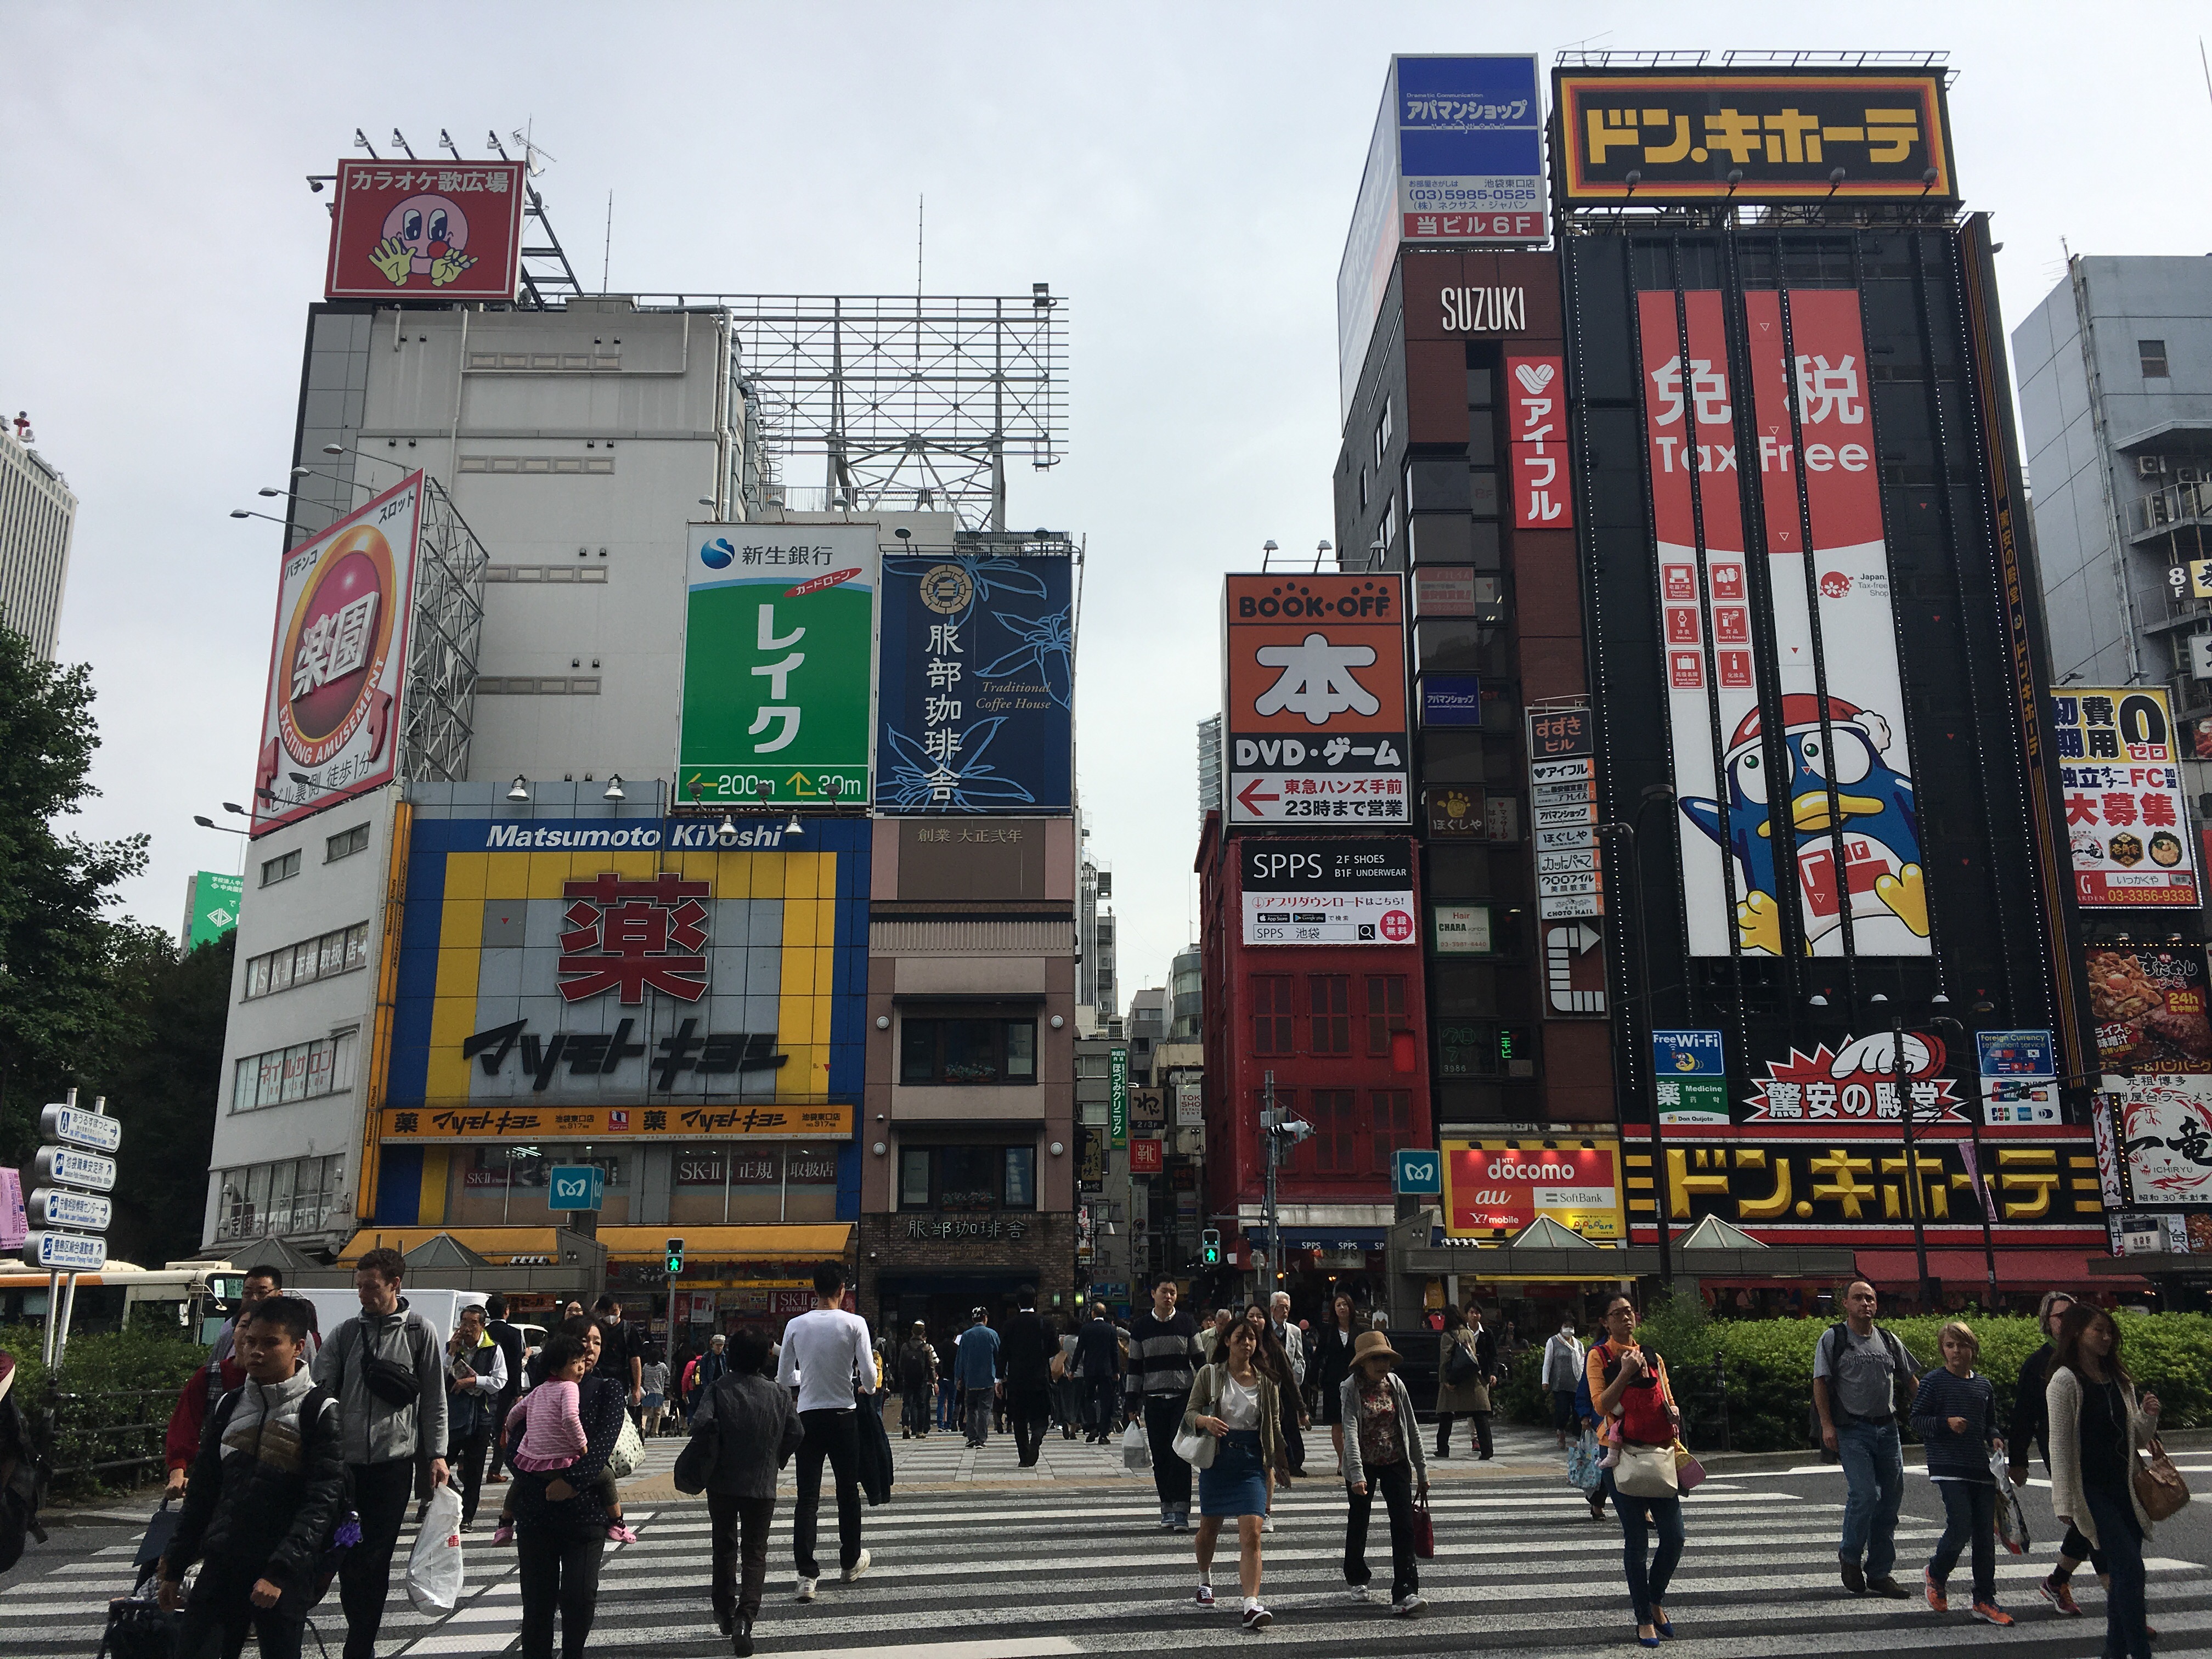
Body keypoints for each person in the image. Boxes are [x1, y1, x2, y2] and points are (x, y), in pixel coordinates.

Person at [157, 1296, 345, 1659]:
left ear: (298, 1347)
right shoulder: (229, 1405)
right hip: (222, 1563)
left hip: (282, 1570)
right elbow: (204, 1492)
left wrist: (280, 1572)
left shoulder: (319, 1410)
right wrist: (175, 1565)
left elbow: (322, 1501)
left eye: (271, 1343)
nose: (256, 1352)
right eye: (250, 1342)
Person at [311, 1245, 449, 1659]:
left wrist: (437, 1454)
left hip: (393, 1466)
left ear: (395, 1285)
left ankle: (360, 1646)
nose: (363, 1294)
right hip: (346, 1467)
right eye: (360, 1286)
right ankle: (358, 1634)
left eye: (371, 1287)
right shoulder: (346, 1334)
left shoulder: (419, 1331)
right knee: (348, 1554)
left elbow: (435, 1399)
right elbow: (319, 1391)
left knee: (375, 1558)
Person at [2047, 1302, 2162, 1659]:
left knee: (2124, 1575)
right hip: (2091, 1490)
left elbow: (2134, 1437)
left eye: (2110, 1332)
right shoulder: (2064, 1381)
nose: (2107, 1337)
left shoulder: (2119, 1379)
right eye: (2099, 1330)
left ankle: (2114, 1652)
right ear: (2078, 1333)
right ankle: (2140, 1653)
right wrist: (2064, 1500)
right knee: (2130, 1568)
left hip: (2126, 1486)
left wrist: (2148, 1416)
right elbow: (2059, 1444)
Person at [506, 1328, 627, 1659]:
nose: (589, 1349)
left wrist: (570, 1482)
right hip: (536, 1511)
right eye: (583, 1341)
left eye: (597, 1342)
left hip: (585, 1513)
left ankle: (573, 1652)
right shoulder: (541, 1391)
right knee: (537, 1602)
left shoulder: (607, 1389)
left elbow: (600, 1448)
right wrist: (539, 1482)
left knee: (580, 1595)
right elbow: (515, 1445)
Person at [690, 1328, 802, 1657]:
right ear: (763, 1359)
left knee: (724, 1546)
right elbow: (796, 1432)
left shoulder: (718, 1388)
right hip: (762, 1484)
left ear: (732, 1355)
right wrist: (776, 1458)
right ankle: (745, 1618)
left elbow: (700, 1424)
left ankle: (724, 1611)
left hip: (723, 1483)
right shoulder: (779, 1394)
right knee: (755, 1552)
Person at [775, 1261, 876, 1600]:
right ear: (842, 1290)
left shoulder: (795, 1325)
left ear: (814, 1289)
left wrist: (807, 1378)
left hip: (808, 1416)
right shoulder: (854, 1323)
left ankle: (806, 1575)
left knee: (808, 1497)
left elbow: (784, 1378)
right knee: (848, 1491)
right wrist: (863, 1387)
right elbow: (870, 1377)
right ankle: (849, 1563)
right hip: (844, 1415)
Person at [1812, 1278, 1919, 1598]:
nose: (1865, 1304)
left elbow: (1910, 1379)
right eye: (1858, 1298)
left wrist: (1933, 1412)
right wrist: (1827, 1426)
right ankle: (1850, 1557)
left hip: (1887, 1428)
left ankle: (1880, 1573)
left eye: (1870, 1299)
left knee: (1890, 1501)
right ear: (1845, 1303)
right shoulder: (1834, 1338)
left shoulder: (1888, 1339)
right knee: (1865, 1495)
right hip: (1852, 1429)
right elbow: (1820, 1382)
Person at [1589, 1294, 1684, 1648]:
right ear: (1606, 1322)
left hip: (1658, 1450)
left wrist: (1674, 1413)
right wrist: (1626, 1372)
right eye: (1617, 1314)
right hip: (1620, 1452)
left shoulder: (1653, 1355)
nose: (1626, 1318)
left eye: (1629, 1311)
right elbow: (1601, 1405)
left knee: (1674, 1536)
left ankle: (1655, 1599)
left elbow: (1667, 1397)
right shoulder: (1599, 1356)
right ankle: (1644, 1618)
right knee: (1637, 1538)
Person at [1911, 1319, 2011, 1625]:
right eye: (1950, 1345)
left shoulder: (1983, 1386)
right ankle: (1937, 1572)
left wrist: (1995, 1437)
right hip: (1948, 1465)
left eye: (1962, 1345)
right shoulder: (1933, 1382)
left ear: (1973, 1349)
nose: (1956, 1351)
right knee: (1961, 1525)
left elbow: (1989, 1422)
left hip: (1980, 1467)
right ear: (1942, 1350)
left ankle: (1984, 1598)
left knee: (1985, 1535)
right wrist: (1946, 1423)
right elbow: (1917, 1420)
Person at [1184, 1314, 1280, 1630]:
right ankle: (1204, 1579)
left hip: (1251, 1462)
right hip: (1218, 1459)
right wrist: (1206, 1421)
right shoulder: (1210, 1375)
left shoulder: (1266, 1381)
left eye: (1252, 1338)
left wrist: (1276, 1463)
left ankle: (1251, 1604)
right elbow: (1190, 1414)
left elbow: (1273, 1425)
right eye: (1240, 1338)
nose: (1247, 1343)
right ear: (1227, 1341)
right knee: (1208, 1529)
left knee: (1252, 1534)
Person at [2007, 1290, 2096, 1613]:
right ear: (2048, 1322)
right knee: (2090, 1515)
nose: (2068, 1322)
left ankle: (2058, 1581)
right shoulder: (2038, 1364)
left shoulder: (2090, 1355)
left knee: (2093, 1517)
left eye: (2074, 1315)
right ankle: (2123, 1604)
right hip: (2061, 1450)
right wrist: (2018, 1461)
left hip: (2097, 1447)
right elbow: (2023, 1415)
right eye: (2061, 1316)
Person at [163, 1266, 285, 1498]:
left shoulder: (286, 1382)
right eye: (244, 1327)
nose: (250, 1337)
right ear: (233, 1331)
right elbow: (185, 1425)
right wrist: (178, 1471)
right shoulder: (209, 1376)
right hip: (212, 1478)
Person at [1338, 1328, 1429, 1617]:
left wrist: (1422, 1470)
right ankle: (1357, 1576)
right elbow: (1350, 1431)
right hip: (1363, 1463)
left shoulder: (1395, 1384)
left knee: (1403, 1525)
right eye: (1375, 1359)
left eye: (1385, 1358)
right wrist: (1356, 1474)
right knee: (1359, 1520)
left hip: (1395, 1460)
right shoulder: (1350, 1388)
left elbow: (1411, 1426)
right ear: (1362, 1362)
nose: (1382, 1364)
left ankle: (1405, 1591)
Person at [1125, 1272, 1206, 1531]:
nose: (1169, 1297)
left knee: (1179, 1453)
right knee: (1160, 1455)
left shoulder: (1187, 1323)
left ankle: (1181, 1510)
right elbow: (1134, 1368)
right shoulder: (1140, 1327)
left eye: (1173, 1292)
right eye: (1164, 1292)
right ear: (1153, 1294)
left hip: (1183, 1398)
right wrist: (1131, 1403)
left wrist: (1208, 1396)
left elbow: (1201, 1362)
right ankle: (1167, 1507)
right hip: (1154, 1398)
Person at [445, 1302, 509, 1531]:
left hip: (482, 1416)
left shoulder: (493, 1349)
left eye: (473, 1323)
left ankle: (467, 1517)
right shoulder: (452, 1347)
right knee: (441, 1463)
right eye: (464, 1322)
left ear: (483, 1326)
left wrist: (474, 1381)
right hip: (454, 1415)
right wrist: (452, 1353)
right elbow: (439, 1376)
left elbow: (500, 1381)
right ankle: (456, 1499)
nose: (467, 1328)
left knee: (474, 1471)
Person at [998, 1286, 1058, 1468]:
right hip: (1039, 1378)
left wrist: (999, 1379)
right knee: (1041, 1416)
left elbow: (1003, 1354)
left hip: (1016, 1379)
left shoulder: (1009, 1325)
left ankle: (1024, 1457)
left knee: (1019, 1419)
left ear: (1018, 1303)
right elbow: (1055, 1349)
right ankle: (1037, 1437)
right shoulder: (1045, 1323)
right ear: (1035, 1301)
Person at [1434, 1304, 1494, 1460]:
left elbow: (1445, 1360)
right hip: (1471, 1379)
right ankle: (1487, 1451)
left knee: (1446, 1415)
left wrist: (1445, 1380)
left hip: (1453, 1380)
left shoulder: (1448, 1335)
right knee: (1479, 1415)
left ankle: (1443, 1449)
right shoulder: (1467, 1333)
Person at [1310, 1291, 1360, 1476]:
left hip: (1356, 1382)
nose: (1342, 1308)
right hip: (1333, 1382)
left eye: (1345, 1304)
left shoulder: (1360, 1331)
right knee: (1337, 1423)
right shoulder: (1328, 1331)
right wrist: (1313, 1379)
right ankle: (1342, 1461)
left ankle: (1355, 1459)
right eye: (1338, 1305)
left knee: (1355, 1423)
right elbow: (1318, 1357)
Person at [484, 1293, 527, 1485]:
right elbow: (516, 1365)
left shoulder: (483, 1332)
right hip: (507, 1389)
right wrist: (518, 1392)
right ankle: (494, 1470)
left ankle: (464, 1465)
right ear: (507, 1311)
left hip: (483, 1388)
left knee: (484, 1426)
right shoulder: (514, 1333)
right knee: (504, 1428)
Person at [1266, 1291, 1309, 1476]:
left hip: (1288, 1385)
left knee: (1291, 1423)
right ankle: (1277, 1461)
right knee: (1275, 1423)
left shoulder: (1294, 1331)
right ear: (1272, 1309)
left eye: (1287, 1308)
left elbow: (1300, 1357)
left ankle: (1295, 1462)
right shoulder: (1266, 1329)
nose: (1285, 1311)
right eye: (1281, 1307)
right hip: (1270, 1384)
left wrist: (1296, 1376)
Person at [591, 1294, 646, 1425]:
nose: (610, 1316)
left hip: (621, 1380)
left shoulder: (628, 1330)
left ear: (620, 1308)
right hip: (598, 1378)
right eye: (605, 1312)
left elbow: (635, 1360)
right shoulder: (595, 1329)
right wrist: (593, 1310)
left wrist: (636, 1388)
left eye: (614, 1311)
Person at [952, 1307, 1001, 1448]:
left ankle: (971, 1436)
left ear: (973, 1319)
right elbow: (999, 1356)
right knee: (984, 1409)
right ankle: (981, 1438)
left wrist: (958, 1377)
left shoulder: (966, 1336)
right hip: (988, 1378)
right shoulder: (992, 1334)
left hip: (970, 1379)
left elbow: (960, 1358)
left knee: (971, 1408)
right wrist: (1001, 1377)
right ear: (985, 1318)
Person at [1075, 1302, 1122, 1442]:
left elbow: (1079, 1350)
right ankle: (1103, 1433)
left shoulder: (1086, 1329)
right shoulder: (1111, 1329)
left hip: (1090, 1369)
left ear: (1093, 1313)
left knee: (1089, 1398)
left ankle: (1092, 1426)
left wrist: (1072, 1369)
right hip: (1106, 1370)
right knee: (1106, 1401)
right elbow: (1115, 1352)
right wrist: (1116, 1370)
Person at [1543, 1314, 1587, 1451]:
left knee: (1578, 1412)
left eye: (1571, 1326)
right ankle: (1560, 1431)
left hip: (1576, 1383)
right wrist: (1545, 1381)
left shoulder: (1579, 1344)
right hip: (1559, 1384)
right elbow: (1548, 1362)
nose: (1569, 1329)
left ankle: (1578, 1439)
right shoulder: (1553, 1341)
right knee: (1563, 1411)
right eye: (1566, 1326)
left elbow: (1582, 1363)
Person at [897, 1322, 937, 1440]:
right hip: (922, 1380)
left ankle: (905, 1426)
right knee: (921, 1405)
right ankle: (920, 1431)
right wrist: (934, 1381)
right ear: (923, 1333)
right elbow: (931, 1366)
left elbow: (900, 1364)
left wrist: (902, 1376)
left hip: (908, 1379)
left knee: (907, 1404)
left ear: (912, 1332)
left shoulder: (905, 1347)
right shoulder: (926, 1347)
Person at [1052, 1313, 1085, 1439]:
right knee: (1077, 1403)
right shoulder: (1081, 1341)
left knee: (1065, 1402)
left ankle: (1065, 1420)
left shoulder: (1062, 1341)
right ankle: (1073, 1430)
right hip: (1080, 1375)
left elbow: (1054, 1358)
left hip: (1064, 1375)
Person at [640, 1352, 671, 1436]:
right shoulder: (662, 1366)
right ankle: (655, 1432)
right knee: (657, 1413)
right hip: (659, 1392)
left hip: (648, 1392)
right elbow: (668, 1375)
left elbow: (642, 1377)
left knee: (645, 1412)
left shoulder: (646, 1366)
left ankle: (643, 1428)